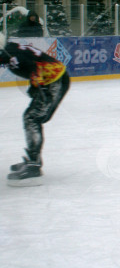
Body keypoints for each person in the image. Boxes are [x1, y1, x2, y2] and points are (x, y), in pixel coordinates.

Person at [0, 32, 70, 186]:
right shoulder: (10, 50)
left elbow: (33, 66)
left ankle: (34, 165)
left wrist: (37, 86)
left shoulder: (12, 56)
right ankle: (33, 160)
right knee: (32, 117)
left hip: (54, 80)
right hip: (52, 79)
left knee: (32, 118)